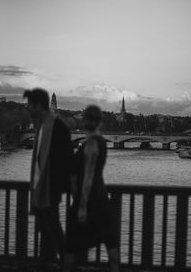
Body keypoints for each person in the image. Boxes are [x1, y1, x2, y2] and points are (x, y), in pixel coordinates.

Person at [65, 105, 120, 272]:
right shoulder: (98, 141)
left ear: (87, 120)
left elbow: (88, 176)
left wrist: (81, 206)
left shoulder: (91, 144)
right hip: (101, 197)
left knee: (72, 243)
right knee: (109, 239)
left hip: (88, 199)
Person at [23, 88, 73, 271]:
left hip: (50, 189)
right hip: (42, 189)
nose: (27, 108)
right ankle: (46, 264)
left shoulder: (56, 127)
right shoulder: (44, 125)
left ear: (38, 106)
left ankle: (66, 265)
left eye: (29, 105)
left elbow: (65, 159)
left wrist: (54, 186)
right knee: (47, 230)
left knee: (52, 229)